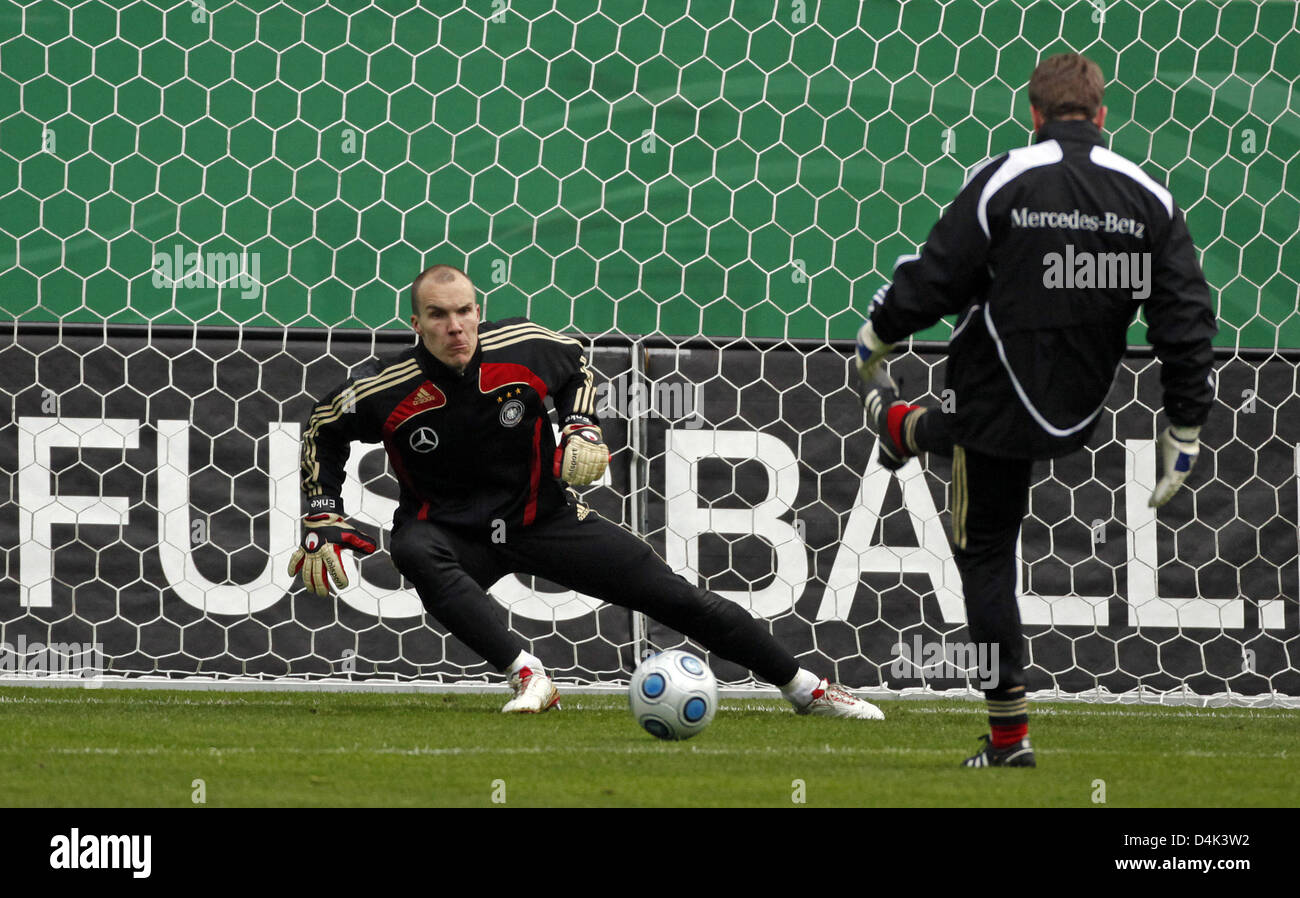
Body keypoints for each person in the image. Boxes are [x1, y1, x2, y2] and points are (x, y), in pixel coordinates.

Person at [289, 263, 884, 719]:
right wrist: (322, 516)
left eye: (465, 312)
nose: (455, 327)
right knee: (414, 550)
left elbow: (577, 366)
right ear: (415, 324)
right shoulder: (386, 388)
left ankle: (807, 689)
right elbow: (322, 429)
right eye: (439, 316)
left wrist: (580, 424)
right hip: (450, 529)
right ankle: (528, 677)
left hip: (543, 520)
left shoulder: (522, 347)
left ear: (479, 310)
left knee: (675, 598)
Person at [855, 52, 1216, 766]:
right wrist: (1185, 423)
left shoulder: (1006, 176)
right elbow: (1184, 316)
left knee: (984, 555)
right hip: (1077, 401)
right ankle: (910, 428)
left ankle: (1009, 742)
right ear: (1103, 114)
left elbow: (940, 273)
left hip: (988, 391)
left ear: (1035, 114)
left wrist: (881, 332)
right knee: (989, 495)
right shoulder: (1151, 196)